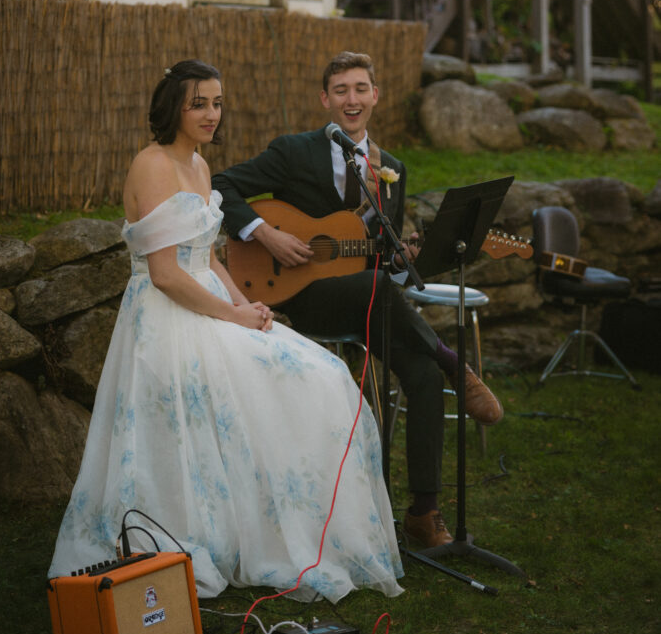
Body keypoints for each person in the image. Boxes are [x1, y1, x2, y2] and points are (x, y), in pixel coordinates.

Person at [48, 59, 403, 602]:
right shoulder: (153, 166)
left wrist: (250, 304)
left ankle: (287, 522)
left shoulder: (199, 166)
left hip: (212, 303)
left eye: (216, 103)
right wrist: (231, 316)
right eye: (199, 104)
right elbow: (167, 273)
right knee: (298, 380)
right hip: (166, 317)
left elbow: (208, 258)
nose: (212, 114)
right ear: (173, 108)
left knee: (328, 373)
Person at [213, 51, 503, 548]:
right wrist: (265, 234)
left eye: (361, 88)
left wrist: (397, 258)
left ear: (376, 95)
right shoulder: (293, 152)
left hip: (367, 298)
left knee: (420, 374)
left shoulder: (391, 168)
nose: (352, 99)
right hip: (301, 294)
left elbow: (379, 257)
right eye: (341, 90)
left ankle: (423, 512)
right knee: (377, 292)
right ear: (326, 99)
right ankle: (456, 362)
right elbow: (222, 187)